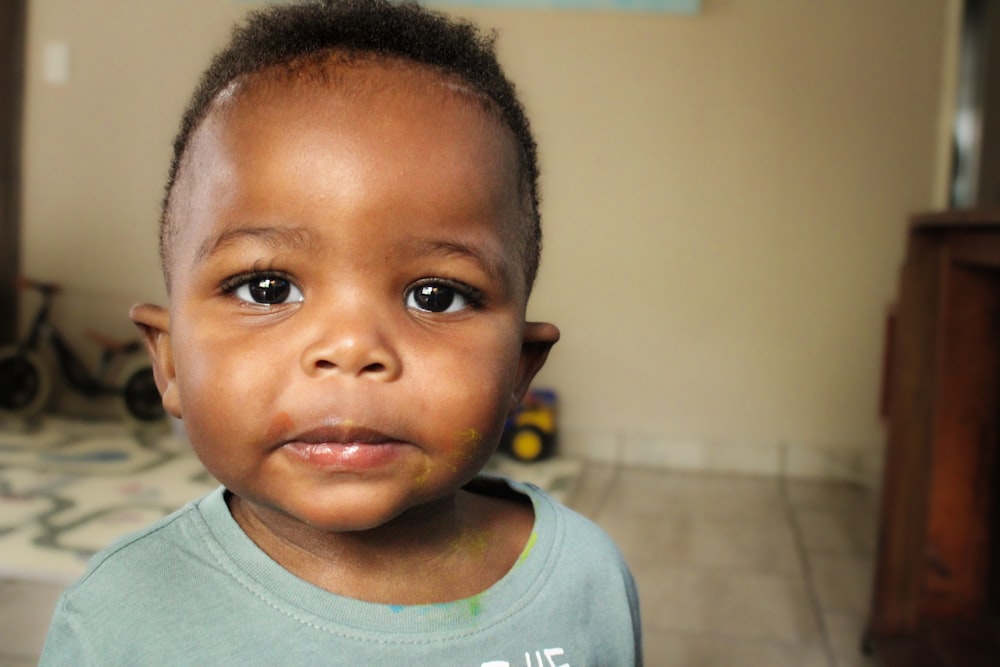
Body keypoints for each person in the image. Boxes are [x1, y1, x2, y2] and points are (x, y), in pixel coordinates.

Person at [40, 1, 641, 664]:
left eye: (434, 296)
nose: (352, 347)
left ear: (519, 371)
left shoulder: (584, 579)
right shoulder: (120, 618)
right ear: (171, 362)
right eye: (266, 288)